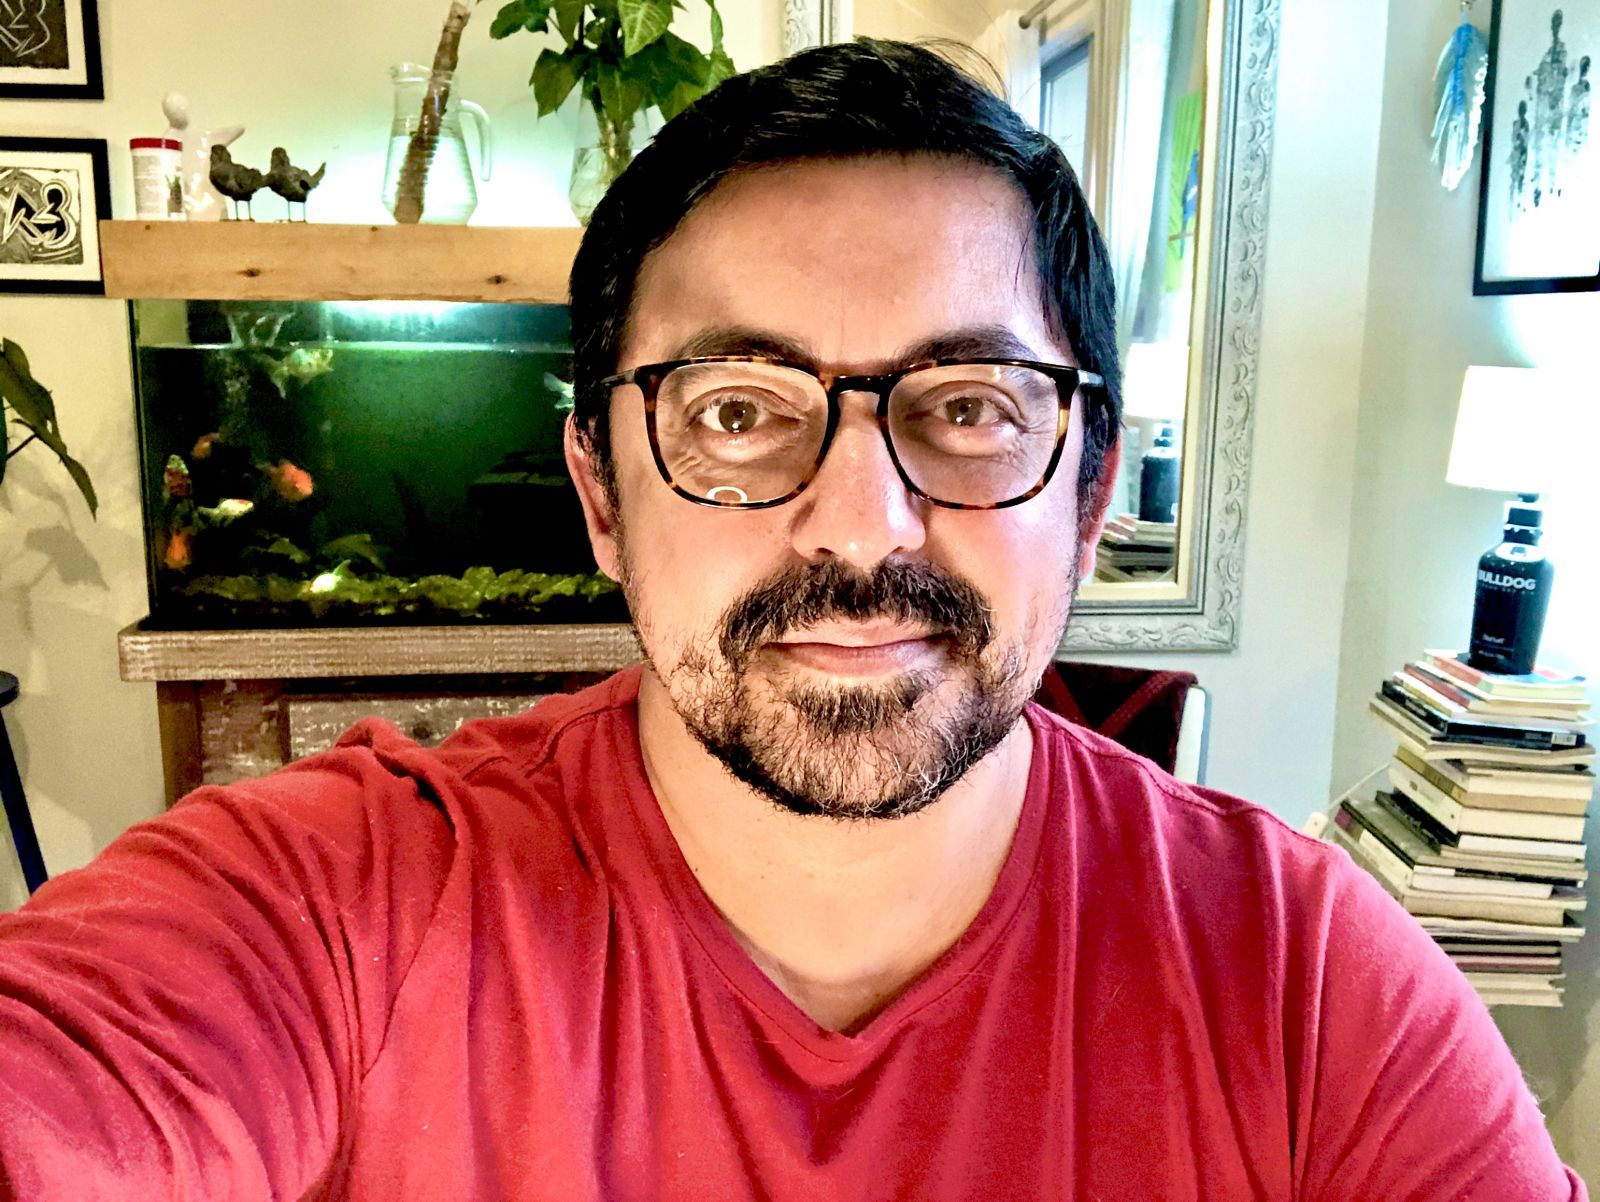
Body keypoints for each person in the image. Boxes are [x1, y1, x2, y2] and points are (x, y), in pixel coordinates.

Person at [0, 39, 1587, 1202]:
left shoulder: (1309, 988)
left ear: (1091, 491)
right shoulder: (343, 905)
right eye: (738, 410)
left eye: (971, 405)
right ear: (600, 495)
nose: (859, 522)